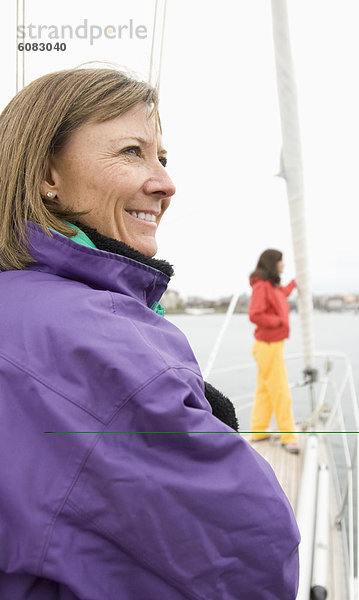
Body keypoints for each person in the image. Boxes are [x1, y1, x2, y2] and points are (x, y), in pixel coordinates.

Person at [0, 67, 299, 599]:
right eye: (132, 152)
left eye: (163, 157)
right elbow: (252, 559)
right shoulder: (95, 344)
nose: (165, 182)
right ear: (47, 173)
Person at [249, 249, 299, 454]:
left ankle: (259, 429)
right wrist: (278, 321)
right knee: (280, 392)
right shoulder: (262, 287)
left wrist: (295, 283)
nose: (284, 264)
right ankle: (288, 436)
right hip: (268, 347)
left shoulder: (271, 286)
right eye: (281, 261)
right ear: (272, 263)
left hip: (271, 346)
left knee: (265, 391)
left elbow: (281, 295)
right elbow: (255, 315)